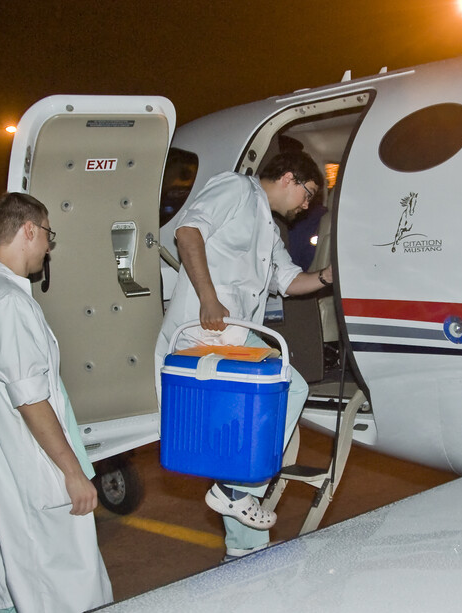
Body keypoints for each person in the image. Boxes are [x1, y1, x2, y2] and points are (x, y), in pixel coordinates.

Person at [154, 151, 334, 561]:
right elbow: (188, 232)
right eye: (307, 195)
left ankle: (243, 549)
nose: (306, 206)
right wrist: (208, 298)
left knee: (240, 439)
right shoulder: (236, 187)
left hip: (231, 338)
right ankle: (236, 490)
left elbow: (289, 281)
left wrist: (329, 276)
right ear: (288, 177)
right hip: (209, 332)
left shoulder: (268, 229)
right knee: (289, 385)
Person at [0, 192, 112, 613]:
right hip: (31, 474)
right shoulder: (8, 302)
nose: (48, 246)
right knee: (64, 593)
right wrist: (72, 471)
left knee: (14, 585)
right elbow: (31, 400)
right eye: (47, 235)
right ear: (28, 230)